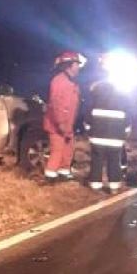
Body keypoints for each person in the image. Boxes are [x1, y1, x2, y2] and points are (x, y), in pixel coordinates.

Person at [84, 54, 132, 192]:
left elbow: (88, 112)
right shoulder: (123, 92)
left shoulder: (95, 91)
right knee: (114, 160)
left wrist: (88, 129)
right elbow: (128, 115)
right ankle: (114, 186)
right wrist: (126, 132)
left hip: (97, 133)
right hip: (116, 135)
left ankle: (95, 185)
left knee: (97, 160)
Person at [42, 50, 85, 182]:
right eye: (76, 64)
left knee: (68, 150)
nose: (78, 67)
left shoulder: (72, 83)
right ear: (69, 65)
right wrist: (61, 124)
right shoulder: (59, 81)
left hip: (68, 125)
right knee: (58, 151)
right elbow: (56, 104)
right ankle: (50, 177)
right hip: (57, 125)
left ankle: (63, 172)